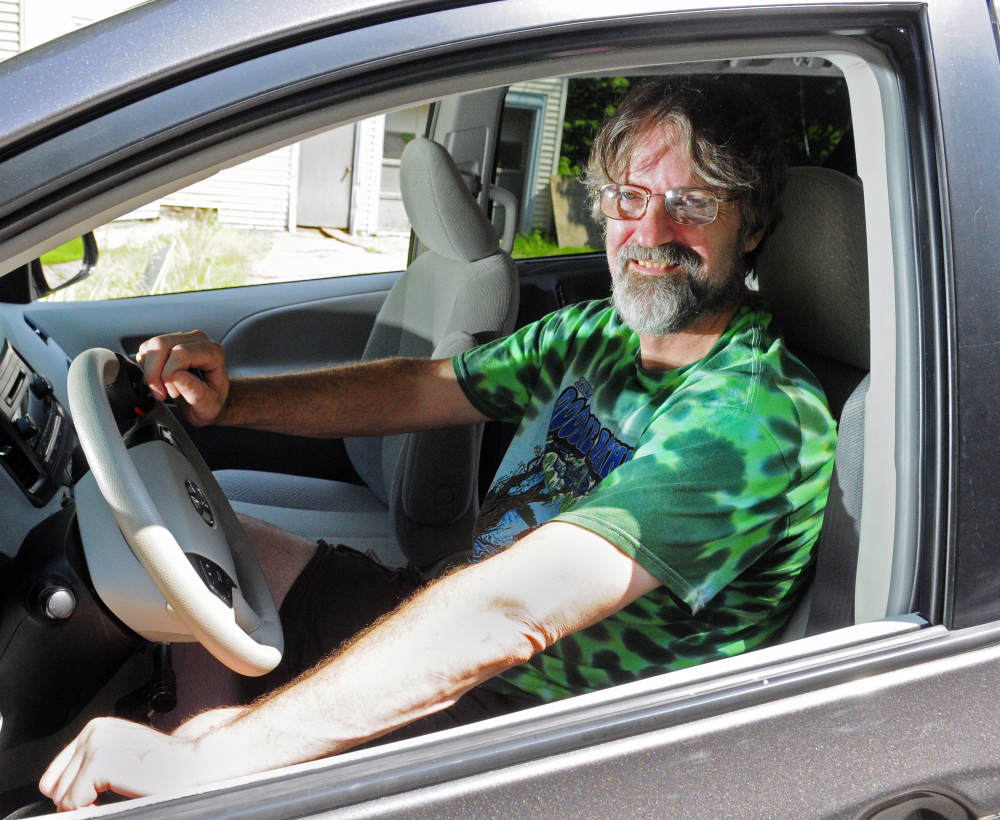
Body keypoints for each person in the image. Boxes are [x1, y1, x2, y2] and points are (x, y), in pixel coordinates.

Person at [40, 77, 836, 810]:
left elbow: (511, 613)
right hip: (456, 627)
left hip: (536, 735)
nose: (651, 230)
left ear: (754, 226)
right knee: (206, 560)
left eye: (692, 205)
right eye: (630, 197)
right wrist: (234, 400)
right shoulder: (600, 333)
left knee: (210, 744)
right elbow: (427, 387)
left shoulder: (752, 418)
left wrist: (212, 762)